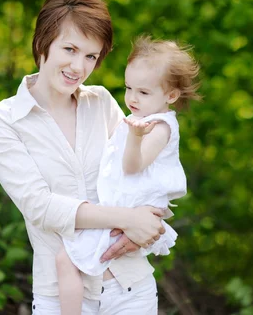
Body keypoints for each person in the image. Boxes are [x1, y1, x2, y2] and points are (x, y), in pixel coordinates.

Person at [0, 0, 168, 314]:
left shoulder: (101, 103)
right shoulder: (2, 120)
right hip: (61, 296)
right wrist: (128, 219)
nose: (78, 66)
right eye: (69, 48)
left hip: (130, 287)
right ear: (43, 42)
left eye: (90, 56)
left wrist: (149, 223)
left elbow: (141, 173)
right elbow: (41, 206)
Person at [56, 35, 201, 315]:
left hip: (132, 211)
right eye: (128, 88)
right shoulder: (142, 120)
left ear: (170, 96)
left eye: (144, 92)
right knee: (69, 262)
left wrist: (134, 137)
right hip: (124, 211)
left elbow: (133, 166)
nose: (132, 98)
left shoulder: (159, 128)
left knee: (65, 260)